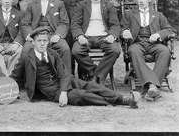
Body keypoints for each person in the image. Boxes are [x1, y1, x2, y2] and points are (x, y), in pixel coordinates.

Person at [10, 27, 141, 108]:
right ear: (33, 42)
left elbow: (63, 73)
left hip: (64, 81)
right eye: (39, 41)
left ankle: (123, 98)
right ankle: (120, 102)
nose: (42, 44)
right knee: (81, 96)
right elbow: (14, 76)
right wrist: (3, 91)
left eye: (45, 40)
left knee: (91, 86)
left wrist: (63, 91)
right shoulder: (27, 57)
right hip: (50, 90)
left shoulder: (52, 53)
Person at [120, 0, 176, 101]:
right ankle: (153, 86)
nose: (141, 1)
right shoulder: (129, 14)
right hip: (137, 43)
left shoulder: (158, 15)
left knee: (165, 51)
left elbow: (171, 30)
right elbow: (122, 27)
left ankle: (150, 86)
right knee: (134, 52)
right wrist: (125, 31)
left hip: (154, 43)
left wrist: (158, 34)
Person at [71, 0, 121, 85]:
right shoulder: (81, 5)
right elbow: (75, 24)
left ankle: (97, 76)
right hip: (86, 36)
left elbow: (115, 25)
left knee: (115, 50)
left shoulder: (109, 5)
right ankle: (95, 73)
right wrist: (80, 36)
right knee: (76, 51)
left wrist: (112, 35)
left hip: (103, 37)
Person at [21, 0, 71, 71]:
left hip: (53, 35)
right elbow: (25, 23)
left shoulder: (59, 4)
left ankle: (66, 79)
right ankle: (28, 80)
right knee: (26, 50)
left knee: (65, 48)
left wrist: (58, 35)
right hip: (36, 36)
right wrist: (29, 36)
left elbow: (64, 22)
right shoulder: (31, 5)